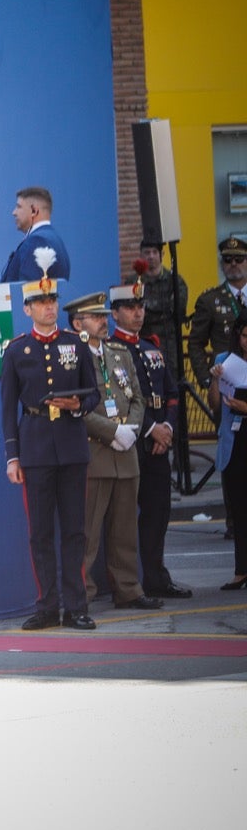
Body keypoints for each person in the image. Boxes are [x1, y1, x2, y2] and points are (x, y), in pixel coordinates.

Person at [0, 269, 98, 630]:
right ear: (27, 309)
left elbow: (95, 393)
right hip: (36, 446)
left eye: (52, 300)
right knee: (40, 532)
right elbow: (8, 408)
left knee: (74, 531)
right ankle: (47, 605)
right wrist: (13, 456)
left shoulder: (76, 342)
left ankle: (75, 606)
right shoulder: (16, 350)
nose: (48, 307)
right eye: (41, 302)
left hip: (71, 445)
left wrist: (79, 406)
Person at [65, 292, 160, 611]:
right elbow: (76, 407)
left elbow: (138, 398)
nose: (104, 322)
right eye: (96, 317)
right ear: (78, 323)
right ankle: (84, 594)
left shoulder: (118, 352)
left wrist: (131, 430)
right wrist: (112, 432)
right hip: (96, 453)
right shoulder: (73, 357)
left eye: (104, 316)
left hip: (126, 451)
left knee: (124, 530)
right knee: (88, 532)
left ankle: (128, 589)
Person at [210, 316, 247, 592]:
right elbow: (215, 404)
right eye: (244, 336)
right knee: (239, 508)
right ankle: (241, 571)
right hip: (235, 441)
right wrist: (215, 379)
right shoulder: (226, 359)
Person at [187, 237, 247, 388]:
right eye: (227, 259)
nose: (233, 264)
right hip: (226, 380)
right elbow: (195, 343)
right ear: (221, 264)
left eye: (239, 259)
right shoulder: (209, 300)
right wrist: (207, 379)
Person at [0, 186, 71, 283]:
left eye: (19, 207)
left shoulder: (37, 241)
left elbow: (28, 293)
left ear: (34, 211)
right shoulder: (54, 239)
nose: (14, 212)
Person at [137, 240, 188, 372]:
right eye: (147, 253)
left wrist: (147, 308)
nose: (151, 256)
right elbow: (134, 314)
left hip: (170, 347)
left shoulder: (175, 281)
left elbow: (177, 310)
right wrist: (162, 310)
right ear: (141, 255)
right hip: (143, 343)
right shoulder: (134, 283)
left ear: (162, 254)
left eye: (155, 252)